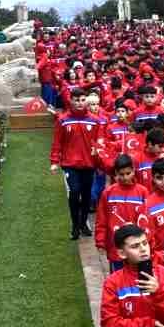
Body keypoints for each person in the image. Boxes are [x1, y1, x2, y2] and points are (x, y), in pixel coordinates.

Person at [51, 89, 103, 240]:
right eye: (76, 100)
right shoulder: (63, 120)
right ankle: (74, 225)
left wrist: (99, 163)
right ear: (71, 101)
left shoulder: (95, 120)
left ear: (85, 101)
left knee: (86, 195)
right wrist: (54, 161)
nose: (79, 103)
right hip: (70, 164)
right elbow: (57, 143)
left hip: (89, 164)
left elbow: (99, 145)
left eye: (82, 100)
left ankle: (83, 223)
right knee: (74, 192)